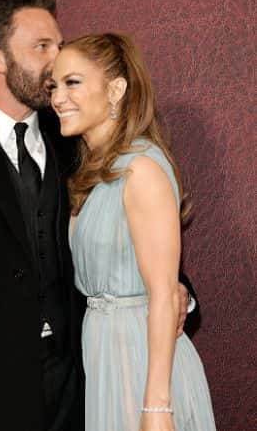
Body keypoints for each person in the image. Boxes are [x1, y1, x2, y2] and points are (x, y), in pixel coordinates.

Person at [0, 0, 196, 431]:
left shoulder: (75, 133)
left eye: (59, 45)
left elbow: (132, 230)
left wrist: (177, 292)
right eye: (41, 46)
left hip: (84, 378)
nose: (56, 59)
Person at [50, 32, 216, 431]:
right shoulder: (92, 169)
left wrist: (157, 409)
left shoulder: (140, 169)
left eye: (73, 82)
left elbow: (162, 294)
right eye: (53, 85)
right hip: (107, 357)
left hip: (142, 362)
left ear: (116, 89)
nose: (57, 97)